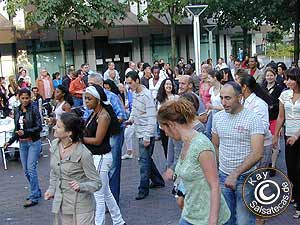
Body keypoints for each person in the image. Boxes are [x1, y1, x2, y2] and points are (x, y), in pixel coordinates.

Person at [158, 98, 230, 225]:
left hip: (207, 218)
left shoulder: (201, 146)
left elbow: (215, 185)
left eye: (164, 128)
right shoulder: (186, 142)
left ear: (172, 125)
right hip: (190, 214)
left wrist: (212, 221)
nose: (166, 134)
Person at [212, 82, 265, 225]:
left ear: (240, 97)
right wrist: (220, 171)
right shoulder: (217, 118)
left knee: (244, 221)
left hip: (246, 178)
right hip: (224, 176)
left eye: (228, 98)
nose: (223, 102)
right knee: (227, 220)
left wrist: (235, 174)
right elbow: (215, 145)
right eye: (221, 98)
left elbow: (258, 153)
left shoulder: (253, 118)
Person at [44, 113, 101, 225]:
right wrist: (51, 190)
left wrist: (82, 186)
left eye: (59, 126)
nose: (54, 127)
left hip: (81, 207)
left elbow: (97, 183)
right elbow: (54, 172)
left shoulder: (83, 153)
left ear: (69, 132)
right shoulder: (55, 145)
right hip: (63, 205)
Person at [83, 84, 125, 225]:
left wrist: (79, 139)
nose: (86, 101)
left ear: (98, 99)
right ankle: (119, 221)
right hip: (97, 157)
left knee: (99, 196)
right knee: (105, 193)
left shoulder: (103, 116)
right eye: (85, 99)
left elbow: (97, 140)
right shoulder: (95, 113)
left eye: (89, 99)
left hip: (101, 157)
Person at [88, 73, 127, 205]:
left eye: (91, 85)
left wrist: (107, 125)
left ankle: (112, 200)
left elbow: (122, 115)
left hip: (112, 135)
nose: (89, 87)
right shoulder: (89, 99)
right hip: (97, 137)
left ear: (100, 85)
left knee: (113, 168)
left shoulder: (111, 97)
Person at [125, 71, 165, 200]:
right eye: (127, 83)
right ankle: (158, 181)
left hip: (146, 133)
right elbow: (134, 109)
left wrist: (148, 136)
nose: (129, 86)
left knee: (143, 161)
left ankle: (143, 189)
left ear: (137, 80)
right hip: (139, 131)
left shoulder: (147, 95)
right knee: (146, 158)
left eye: (130, 83)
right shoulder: (135, 93)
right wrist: (131, 119)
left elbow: (152, 117)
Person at [4, 88, 43, 207]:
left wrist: (26, 132)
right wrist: (9, 141)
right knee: (26, 171)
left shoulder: (34, 109)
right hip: (22, 143)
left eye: (27, 98)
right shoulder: (17, 110)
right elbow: (16, 129)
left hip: (33, 142)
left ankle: (34, 195)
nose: (25, 100)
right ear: (18, 98)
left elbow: (39, 127)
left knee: (31, 169)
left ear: (30, 97)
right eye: (23, 98)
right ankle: (36, 190)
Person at [272, 68, 300, 219]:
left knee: (299, 168)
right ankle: (296, 195)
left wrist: (297, 134)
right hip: (289, 136)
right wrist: (275, 135)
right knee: (291, 169)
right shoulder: (284, 94)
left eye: (291, 78)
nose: (287, 81)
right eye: (286, 78)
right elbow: (281, 117)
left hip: (298, 135)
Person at [237, 74, 273, 168]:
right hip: (248, 145)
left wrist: (243, 128)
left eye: (237, 84)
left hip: (261, 146)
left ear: (244, 87)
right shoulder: (241, 101)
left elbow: (263, 127)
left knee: (257, 178)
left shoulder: (259, 103)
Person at [263, 68, 284, 170]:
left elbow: (281, 104)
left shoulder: (280, 88)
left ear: (275, 76)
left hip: (275, 118)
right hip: (264, 118)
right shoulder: (262, 88)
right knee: (265, 142)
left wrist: (272, 106)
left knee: (274, 142)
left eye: (271, 75)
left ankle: (273, 165)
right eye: (267, 75)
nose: (269, 77)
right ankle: (267, 162)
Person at [156, 78, 179, 158]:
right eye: (167, 84)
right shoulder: (160, 99)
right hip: (163, 128)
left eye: (170, 84)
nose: (168, 86)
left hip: (174, 127)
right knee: (166, 149)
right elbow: (158, 113)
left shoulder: (176, 98)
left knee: (175, 148)